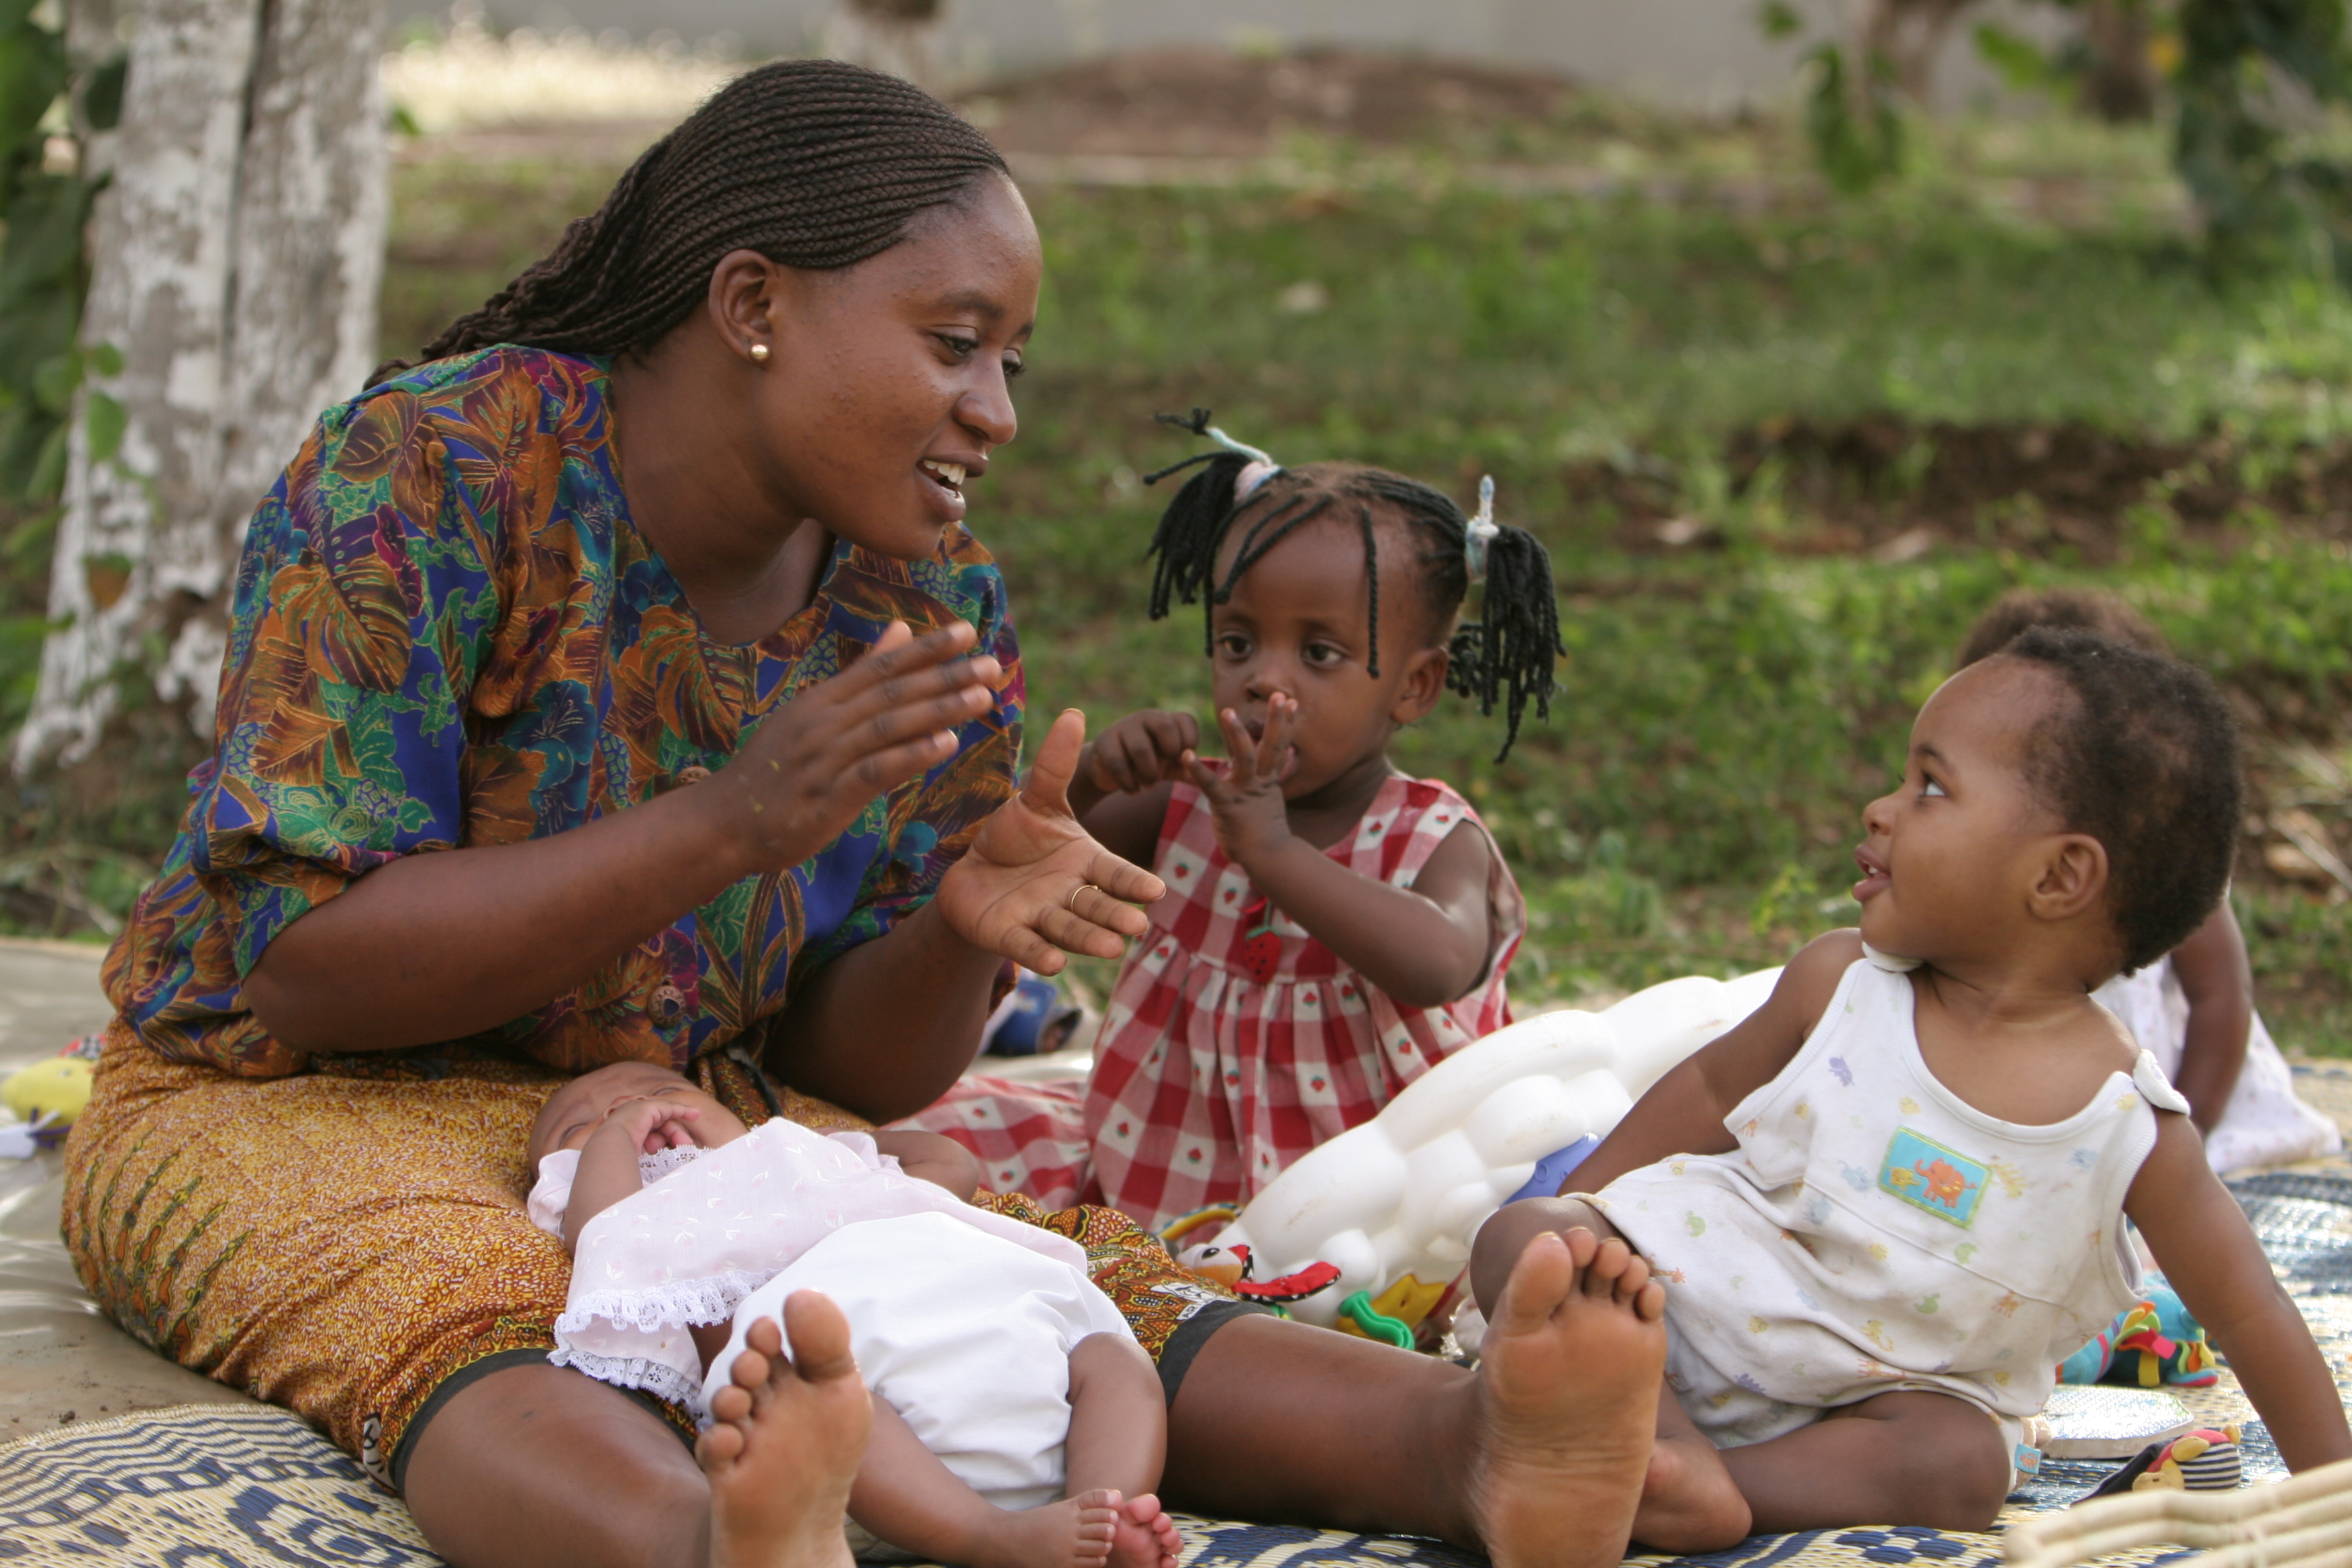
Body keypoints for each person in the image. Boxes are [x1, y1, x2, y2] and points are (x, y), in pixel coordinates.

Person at [59, 60, 1720, 1568]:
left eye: (1010, 358)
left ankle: (1479, 1444)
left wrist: (955, 933)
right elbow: (304, 966)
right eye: (953, 342)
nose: (996, 409)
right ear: (752, 302)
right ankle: (721, 1540)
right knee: (467, 1290)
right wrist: (725, 822)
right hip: (282, 1096)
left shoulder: (920, 603)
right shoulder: (429, 476)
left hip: (687, 1111)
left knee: (1015, 1272)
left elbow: (855, 1067)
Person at [1473, 628, 2352, 1537]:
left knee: (1962, 1467)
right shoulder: (1840, 986)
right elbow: (1702, 1091)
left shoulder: (2129, 1129)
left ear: (2058, 876)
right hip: (1676, 1314)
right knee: (1525, 1236)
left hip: (1883, 1411)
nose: (1882, 808)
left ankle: (1697, 1484)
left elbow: (2252, 1315)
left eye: (1930, 786)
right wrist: (1582, 1214)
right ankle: (1653, 1446)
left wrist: (2338, 1500)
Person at [911, 428, 1555, 1233]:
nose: (1263, 678)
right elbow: (1047, 850)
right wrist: (1101, 775)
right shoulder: (1193, 801)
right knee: (918, 1150)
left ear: (1415, 686)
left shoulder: (1427, 833)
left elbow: (1441, 963)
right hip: (1156, 1162)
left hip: (1374, 1201)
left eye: (1318, 652)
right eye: (1238, 642)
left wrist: (1274, 851)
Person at [530, 1061, 1181, 1568]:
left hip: (999, 1330)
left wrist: (826, 1150)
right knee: (829, 1399)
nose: (625, 1104)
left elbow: (949, 1164)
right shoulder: (641, 1214)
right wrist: (616, 1138)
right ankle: (991, 1537)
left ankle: (1101, 1507)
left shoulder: (809, 1160)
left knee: (1112, 1355)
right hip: (858, 1397)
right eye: (578, 1125)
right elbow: (601, 1227)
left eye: (656, 1088)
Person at [1956, 587, 2339, 1171]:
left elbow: (2221, 996)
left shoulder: (2163, 850)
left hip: (2178, 1085)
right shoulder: (1969, 846)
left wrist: (2188, 1134)